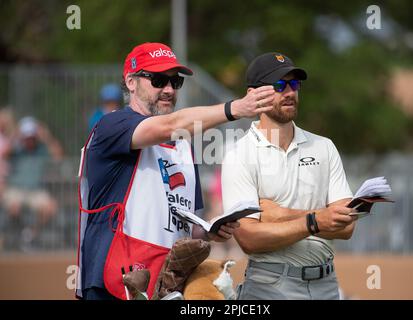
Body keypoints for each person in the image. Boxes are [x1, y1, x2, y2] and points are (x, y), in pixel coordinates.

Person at [76, 42, 275, 300]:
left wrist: (211, 231)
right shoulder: (113, 124)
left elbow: (189, 225)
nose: (169, 89)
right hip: (114, 281)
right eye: (158, 80)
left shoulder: (183, 145)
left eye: (175, 82)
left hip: (164, 282)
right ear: (131, 82)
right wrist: (234, 109)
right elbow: (169, 124)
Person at [221, 52, 357, 300]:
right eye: (279, 85)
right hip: (269, 287)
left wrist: (280, 215)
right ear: (253, 94)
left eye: (294, 84)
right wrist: (315, 221)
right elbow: (249, 238)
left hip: (327, 285)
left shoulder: (324, 146)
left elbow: (346, 226)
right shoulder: (238, 154)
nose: (290, 92)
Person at [2, 116, 63, 250]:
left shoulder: (41, 150)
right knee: (14, 207)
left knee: (50, 208)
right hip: (16, 189)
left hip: (35, 191)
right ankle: (17, 238)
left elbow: (58, 155)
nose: (29, 140)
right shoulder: (16, 150)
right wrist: (15, 135)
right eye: (26, 137)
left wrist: (46, 136)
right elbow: (5, 153)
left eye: (31, 136)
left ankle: (29, 235)